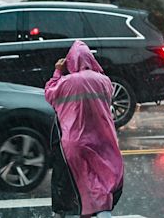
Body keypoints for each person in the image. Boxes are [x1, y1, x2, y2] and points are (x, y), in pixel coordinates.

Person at [45, 40, 124, 218]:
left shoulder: (66, 82)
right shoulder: (105, 81)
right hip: (102, 140)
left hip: (74, 142)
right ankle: (103, 213)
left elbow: (49, 93)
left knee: (78, 185)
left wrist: (58, 71)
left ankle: (75, 212)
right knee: (100, 183)